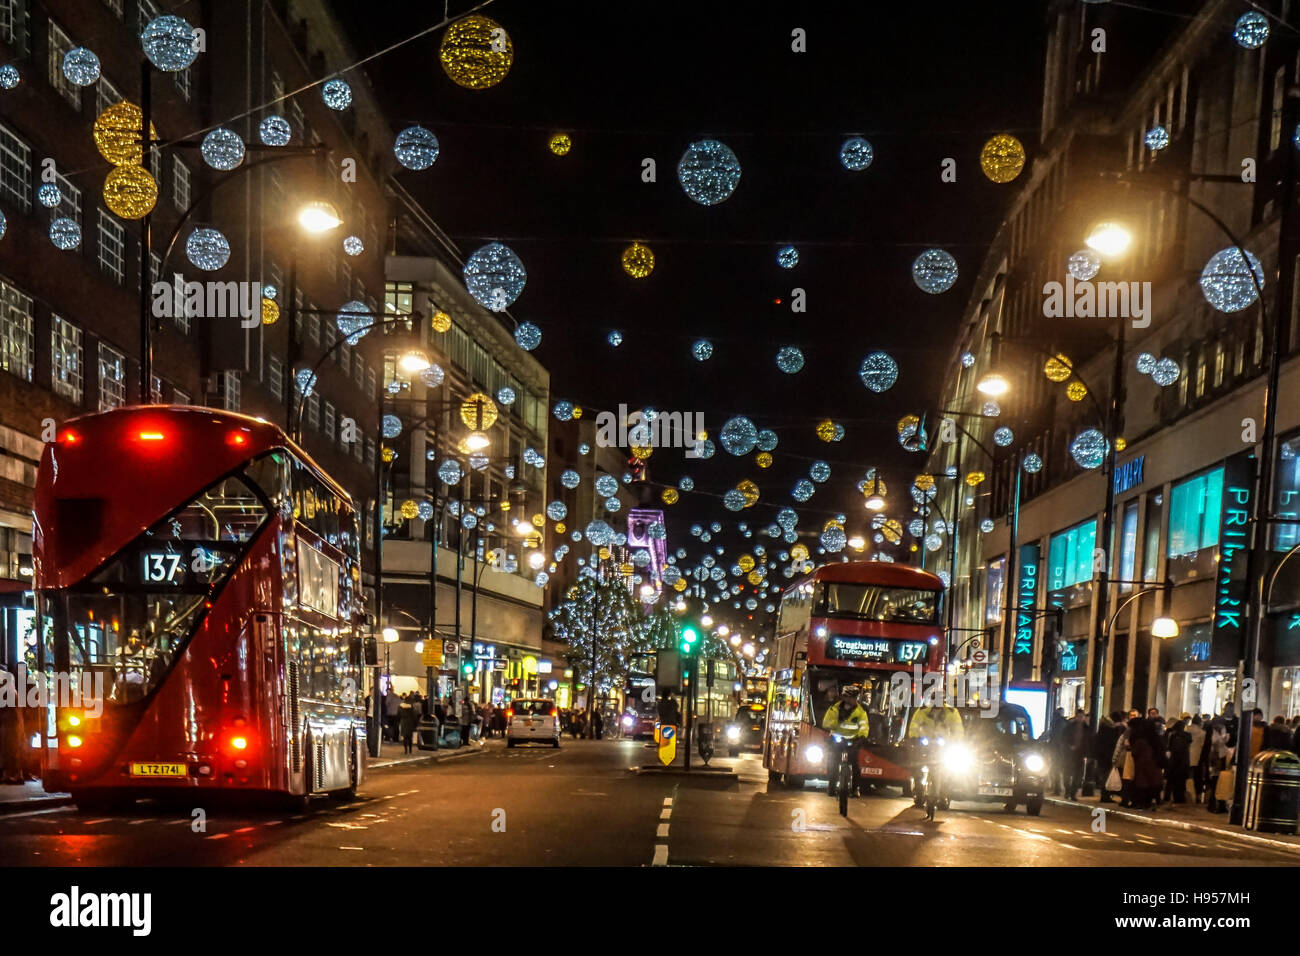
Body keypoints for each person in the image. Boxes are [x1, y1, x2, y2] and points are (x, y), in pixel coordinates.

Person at [906, 698, 964, 805]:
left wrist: (956, 741)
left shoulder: (952, 712)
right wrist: (914, 737)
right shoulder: (923, 711)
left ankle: (944, 795)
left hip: (943, 746)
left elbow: (958, 729)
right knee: (917, 766)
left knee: (948, 770)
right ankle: (918, 794)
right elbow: (914, 725)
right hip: (925, 744)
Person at [821, 685, 870, 798]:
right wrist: (835, 721)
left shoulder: (860, 712)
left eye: (855, 697)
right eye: (850, 697)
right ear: (844, 697)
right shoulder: (834, 709)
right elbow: (826, 723)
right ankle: (831, 786)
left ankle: (855, 789)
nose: (853, 700)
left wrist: (862, 737)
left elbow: (864, 726)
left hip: (853, 741)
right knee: (833, 762)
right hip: (836, 740)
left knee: (855, 765)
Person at [1095, 711, 1126, 803]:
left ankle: (1106, 795)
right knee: (1107, 776)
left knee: (1106, 775)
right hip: (1107, 756)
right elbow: (1111, 743)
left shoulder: (1104, 727)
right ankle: (1106, 796)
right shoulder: (1111, 729)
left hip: (1103, 756)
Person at [1164, 718, 1192, 804]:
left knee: (1170, 780)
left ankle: (1167, 797)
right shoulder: (1187, 735)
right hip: (1183, 761)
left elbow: (1169, 747)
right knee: (1181, 782)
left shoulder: (1172, 734)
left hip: (1174, 760)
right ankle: (1179, 798)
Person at [1187, 714, 1207, 803]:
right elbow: (1203, 746)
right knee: (1197, 778)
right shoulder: (1202, 733)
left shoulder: (1186, 729)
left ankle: (1188, 794)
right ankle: (1197, 795)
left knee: (1187, 776)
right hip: (1197, 757)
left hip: (1186, 756)